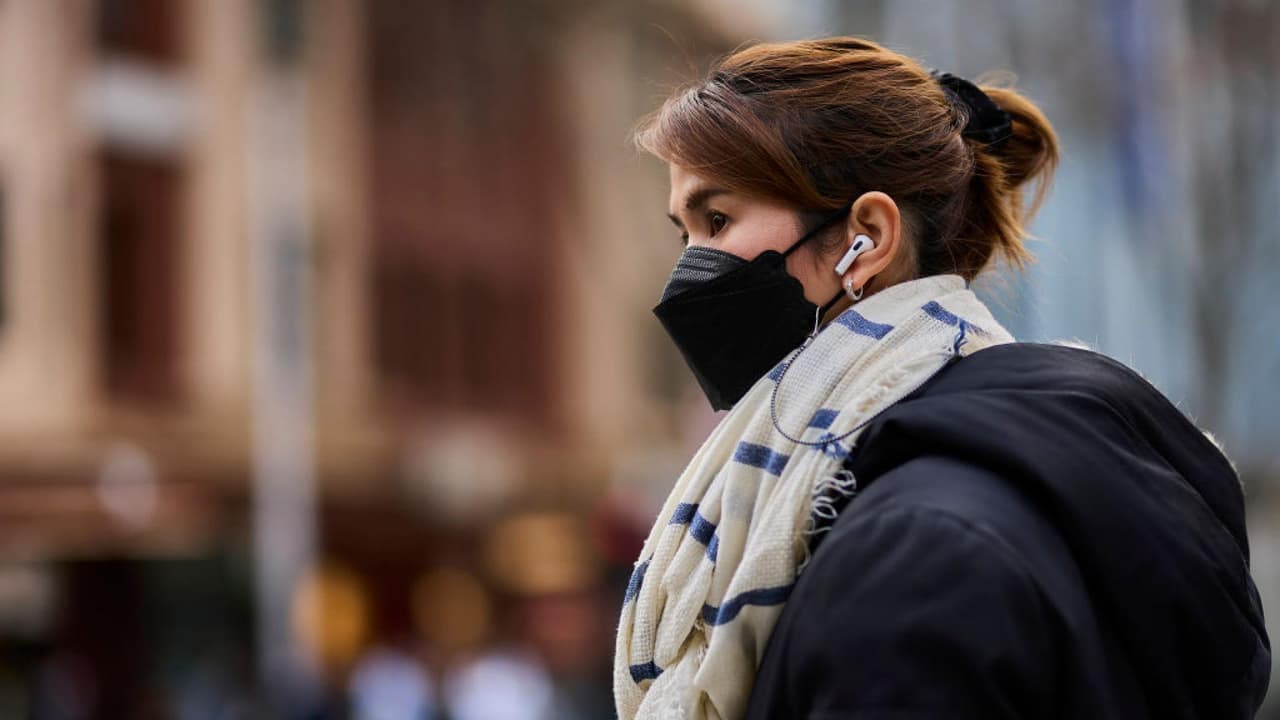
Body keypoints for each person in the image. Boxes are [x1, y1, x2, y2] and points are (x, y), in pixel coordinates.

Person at [613, 36, 1270, 720]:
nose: (688, 269)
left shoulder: (912, 554)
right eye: (683, 233)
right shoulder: (939, 500)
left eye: (717, 220)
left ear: (867, 236)